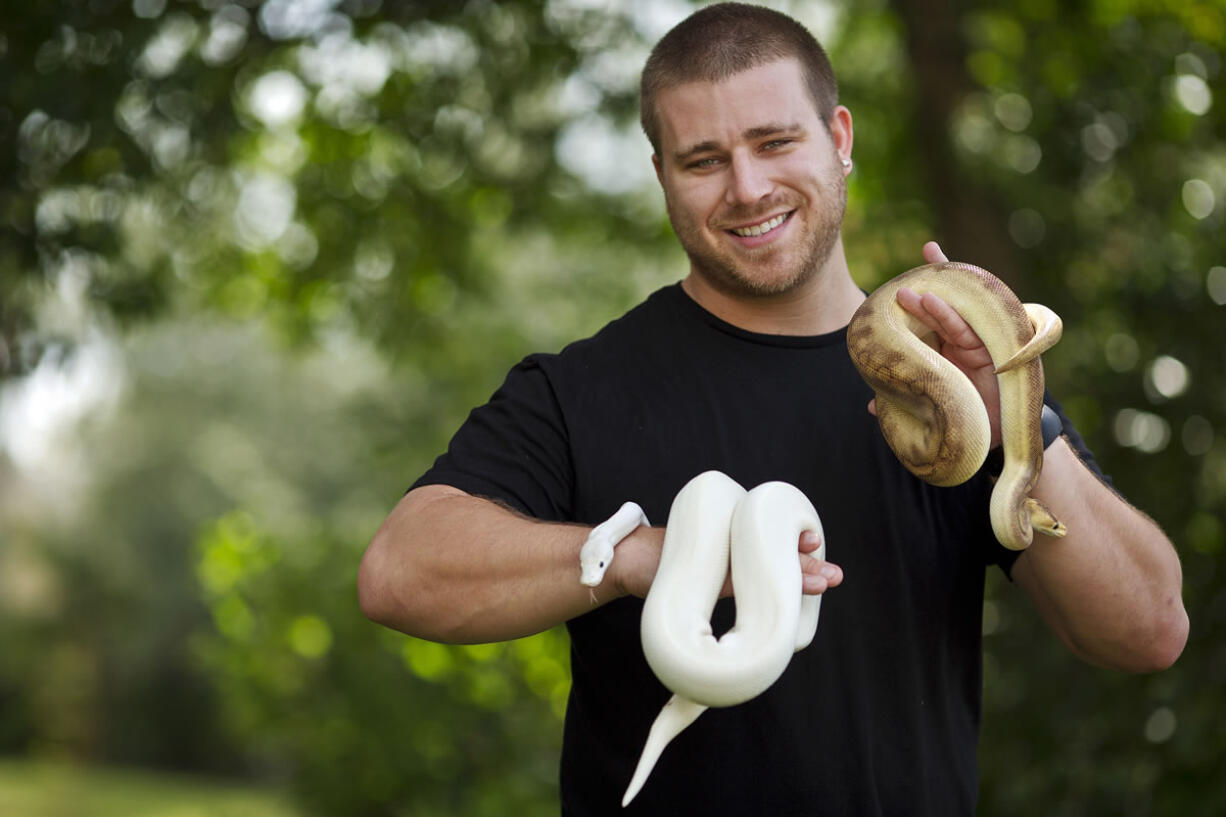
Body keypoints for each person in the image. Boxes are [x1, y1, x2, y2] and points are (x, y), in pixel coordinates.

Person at [358, 4, 1188, 815]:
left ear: (840, 140)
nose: (748, 188)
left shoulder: (954, 379)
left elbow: (1146, 631)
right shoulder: (581, 387)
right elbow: (400, 573)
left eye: (775, 142)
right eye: (703, 159)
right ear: (662, 177)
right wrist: (642, 557)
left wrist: (1011, 416)